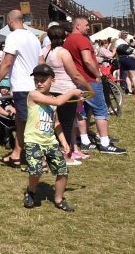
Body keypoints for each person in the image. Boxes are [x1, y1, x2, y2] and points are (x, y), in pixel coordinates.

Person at [22, 64, 81, 212]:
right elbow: (58, 102)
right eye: (37, 80)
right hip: (33, 141)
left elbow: (56, 123)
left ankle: (59, 199)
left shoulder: (53, 99)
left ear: (52, 81)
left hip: (50, 142)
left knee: (63, 171)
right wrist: (73, 91)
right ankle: (31, 191)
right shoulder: (33, 95)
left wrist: (64, 141)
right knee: (36, 171)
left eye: (43, 80)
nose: (39, 83)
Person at [63, 17, 126, 154]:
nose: (88, 27)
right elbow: (87, 60)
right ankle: (104, 143)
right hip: (89, 80)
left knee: (83, 111)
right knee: (100, 110)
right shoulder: (82, 39)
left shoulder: (67, 41)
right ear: (78, 26)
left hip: (77, 81)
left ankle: (85, 141)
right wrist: (97, 74)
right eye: (86, 25)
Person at [0, 9, 41, 168]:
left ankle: (39, 159)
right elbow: (41, 62)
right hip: (34, 85)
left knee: (30, 123)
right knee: (21, 121)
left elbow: (7, 62)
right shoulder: (33, 37)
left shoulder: (13, 36)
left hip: (23, 87)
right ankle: (16, 154)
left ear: (9, 21)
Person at [39, 25, 94, 165]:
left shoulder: (44, 51)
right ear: (64, 36)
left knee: (54, 124)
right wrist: (88, 87)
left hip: (51, 91)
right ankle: (66, 156)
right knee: (67, 124)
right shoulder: (63, 52)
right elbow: (75, 75)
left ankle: (53, 154)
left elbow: (41, 70)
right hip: (66, 91)